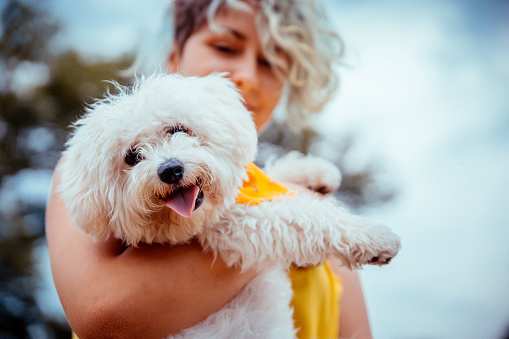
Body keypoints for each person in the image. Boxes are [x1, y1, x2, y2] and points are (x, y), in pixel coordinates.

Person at [46, 0, 373, 338]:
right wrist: (297, 222)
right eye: (225, 47)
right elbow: (102, 319)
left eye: (270, 63)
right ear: (174, 56)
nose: (247, 75)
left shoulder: (325, 222)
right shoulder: (89, 172)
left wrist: (291, 198)